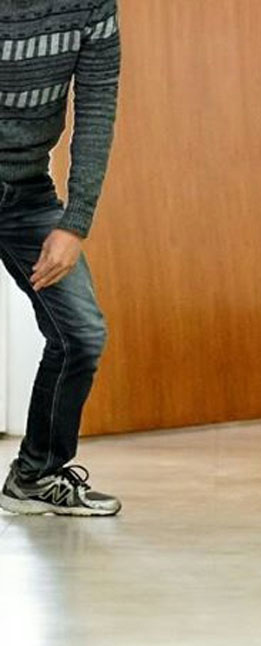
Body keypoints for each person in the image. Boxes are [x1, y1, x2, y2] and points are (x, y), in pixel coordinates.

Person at [0, 0, 121, 516]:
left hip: (26, 192)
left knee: (80, 335)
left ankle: (36, 475)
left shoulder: (92, 6)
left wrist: (74, 223)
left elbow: (96, 110)